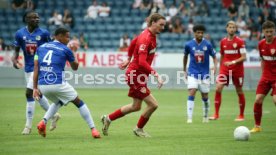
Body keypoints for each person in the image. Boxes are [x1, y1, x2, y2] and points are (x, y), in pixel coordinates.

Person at [101, 13, 166, 138]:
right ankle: (139, 129)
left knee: (136, 106)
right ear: (153, 23)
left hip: (139, 75)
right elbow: (141, 62)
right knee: (153, 104)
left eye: (164, 25)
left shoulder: (147, 34)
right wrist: (156, 75)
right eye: (161, 25)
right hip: (135, 75)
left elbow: (132, 43)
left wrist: (128, 58)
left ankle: (108, 118)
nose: (163, 28)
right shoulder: (146, 38)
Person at [33, 27, 100, 138]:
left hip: (43, 86)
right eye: (67, 36)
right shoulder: (65, 49)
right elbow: (75, 67)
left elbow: (36, 68)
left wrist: (35, 88)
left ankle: (43, 122)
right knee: (79, 102)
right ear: (59, 36)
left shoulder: (40, 47)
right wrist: (73, 52)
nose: (68, 39)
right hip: (58, 83)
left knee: (59, 101)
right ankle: (94, 129)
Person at [11, 11, 60, 135]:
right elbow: (16, 50)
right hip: (27, 68)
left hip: (40, 67)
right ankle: (53, 114)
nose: (37, 19)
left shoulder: (44, 33)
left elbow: (51, 48)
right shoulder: (19, 33)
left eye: (38, 17)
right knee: (36, 94)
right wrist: (14, 60)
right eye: (34, 17)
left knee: (29, 93)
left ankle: (28, 126)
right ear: (27, 19)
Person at [209, 21, 247, 121]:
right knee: (218, 88)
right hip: (225, 70)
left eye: (234, 27)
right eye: (230, 27)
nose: (232, 29)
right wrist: (220, 68)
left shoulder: (240, 42)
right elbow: (222, 55)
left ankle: (241, 115)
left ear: (236, 29)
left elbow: (244, 57)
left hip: (237, 70)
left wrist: (233, 62)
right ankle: (216, 114)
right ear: (227, 28)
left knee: (239, 90)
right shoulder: (223, 42)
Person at [183, 24, 217, 123]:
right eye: (198, 32)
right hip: (192, 73)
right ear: (194, 33)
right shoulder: (188, 45)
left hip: (204, 74)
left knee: (205, 96)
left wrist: (215, 66)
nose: (200, 34)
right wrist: (184, 69)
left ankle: (205, 116)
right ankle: (189, 118)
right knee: (192, 91)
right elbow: (185, 57)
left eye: (202, 32)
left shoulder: (208, 44)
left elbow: (214, 56)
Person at [250, 21, 276, 133]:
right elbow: (262, 60)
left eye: (271, 31)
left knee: (275, 100)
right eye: (267, 31)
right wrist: (263, 74)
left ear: (274, 31)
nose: (269, 34)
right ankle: (257, 126)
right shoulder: (261, 44)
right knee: (258, 100)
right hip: (266, 76)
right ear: (263, 32)